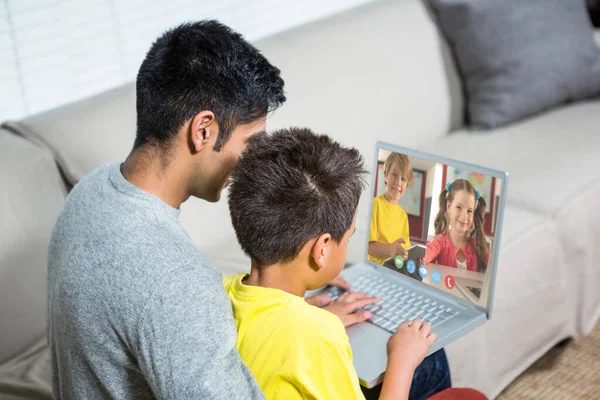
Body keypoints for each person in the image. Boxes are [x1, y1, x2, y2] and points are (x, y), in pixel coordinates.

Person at [46, 20, 371, 399]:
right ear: (203, 130)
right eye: (251, 141)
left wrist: (291, 325)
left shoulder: (89, 192)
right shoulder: (177, 281)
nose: (255, 160)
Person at [224, 128, 448, 400]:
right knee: (432, 360)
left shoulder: (223, 291)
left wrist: (307, 314)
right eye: (349, 237)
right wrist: (402, 362)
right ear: (321, 250)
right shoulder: (318, 335)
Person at [423, 179, 490, 272]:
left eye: (469, 211)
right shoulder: (440, 242)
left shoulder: (478, 247)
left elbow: (495, 269)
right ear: (449, 206)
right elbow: (424, 256)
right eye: (459, 207)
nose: (464, 216)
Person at [368, 152, 413, 265]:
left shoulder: (403, 216)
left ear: (406, 184)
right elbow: (368, 247)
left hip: (394, 270)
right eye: (394, 175)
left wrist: (413, 259)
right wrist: (390, 249)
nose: (398, 182)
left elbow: (405, 251)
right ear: (386, 174)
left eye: (403, 179)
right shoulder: (375, 205)